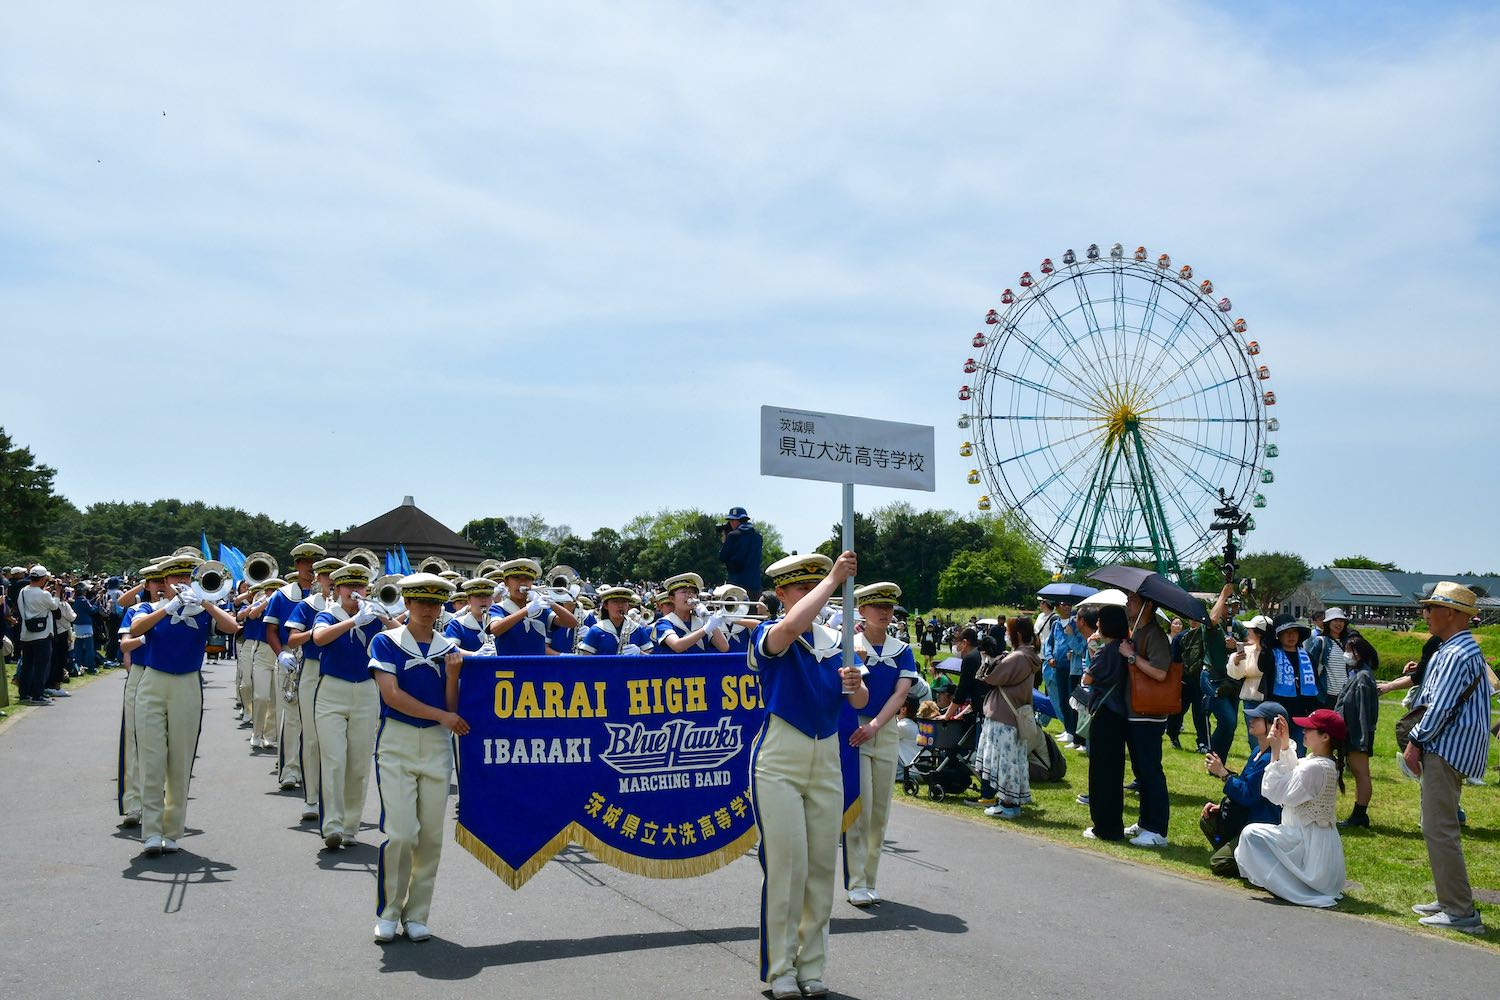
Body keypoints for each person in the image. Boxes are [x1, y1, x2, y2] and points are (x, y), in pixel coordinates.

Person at [749, 552, 867, 1000]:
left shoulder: (839, 640)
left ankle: (811, 965)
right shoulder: (769, 632)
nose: (812, 595)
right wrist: (834, 579)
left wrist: (857, 686)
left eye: (815, 586)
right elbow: (792, 628)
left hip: (827, 755)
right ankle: (780, 968)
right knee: (788, 865)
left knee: (821, 864)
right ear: (781, 594)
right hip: (780, 755)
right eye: (800, 588)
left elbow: (859, 704)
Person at [368, 573, 468, 943]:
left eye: (435, 603)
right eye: (421, 602)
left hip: (437, 746)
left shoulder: (449, 647)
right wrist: (442, 716)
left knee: (429, 836)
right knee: (400, 833)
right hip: (396, 743)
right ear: (407, 604)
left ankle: (417, 914)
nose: (428, 609)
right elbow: (391, 696)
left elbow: (453, 706)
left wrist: (454, 674)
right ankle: (390, 911)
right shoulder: (387, 641)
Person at [129, 553, 241, 854]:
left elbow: (232, 627)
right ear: (164, 582)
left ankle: (173, 831)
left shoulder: (202, 609)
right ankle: (151, 831)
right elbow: (136, 630)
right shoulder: (149, 607)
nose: (180, 583)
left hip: (188, 683)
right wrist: (169, 607)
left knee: (180, 761)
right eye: (174, 578)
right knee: (152, 759)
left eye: (185, 578)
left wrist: (203, 602)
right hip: (153, 683)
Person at [1402, 582, 1492, 934]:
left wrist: (1415, 742)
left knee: (1440, 829)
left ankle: (1460, 911)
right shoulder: (1458, 648)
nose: (1425, 614)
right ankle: (1449, 898)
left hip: (1445, 747)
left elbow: (1439, 707)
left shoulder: (1455, 653)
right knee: (1435, 826)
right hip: (1449, 747)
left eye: (1430, 608)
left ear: (1451, 613)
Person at [842, 582, 918, 906]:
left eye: (888, 607)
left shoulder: (902, 650)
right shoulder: (848, 646)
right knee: (860, 809)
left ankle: (870, 879)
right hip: (854, 730)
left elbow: (901, 694)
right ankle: (856, 882)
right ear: (862, 611)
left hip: (883, 730)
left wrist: (875, 726)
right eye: (877, 607)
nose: (885, 612)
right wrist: (867, 726)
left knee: (880, 811)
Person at [312, 563, 395, 851]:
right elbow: (319, 638)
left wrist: (383, 617)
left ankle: (351, 827)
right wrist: (353, 621)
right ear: (336, 590)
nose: (354, 591)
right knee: (334, 760)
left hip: (367, 691)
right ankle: (332, 826)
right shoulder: (327, 614)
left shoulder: (372, 615)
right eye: (348, 586)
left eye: (359, 587)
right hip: (332, 691)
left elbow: (403, 637)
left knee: (359, 763)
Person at [1234, 709, 1348, 908]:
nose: (1304, 730)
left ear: (1325, 736)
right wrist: (1285, 744)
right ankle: (1286, 881)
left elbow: (1275, 793)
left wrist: (1276, 752)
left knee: (1251, 834)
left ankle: (1288, 884)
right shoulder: (1324, 763)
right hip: (1319, 850)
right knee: (1253, 834)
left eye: (1310, 729)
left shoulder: (1315, 767)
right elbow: (1294, 770)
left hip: (1309, 850)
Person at [284, 557, 346, 822]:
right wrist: (318, 631)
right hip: (312, 668)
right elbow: (292, 639)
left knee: (341, 743)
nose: (331, 580)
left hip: (342, 673)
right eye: (326, 575)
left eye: (336, 575)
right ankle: (311, 799)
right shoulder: (307, 605)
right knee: (311, 738)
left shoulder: (351, 607)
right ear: (318, 579)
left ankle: (337, 802)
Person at [1200, 701, 1287, 877]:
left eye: (1257, 718)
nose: (1251, 720)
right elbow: (1245, 784)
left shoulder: (1270, 758)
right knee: (1208, 820)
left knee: (1219, 863)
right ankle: (1240, 852)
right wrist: (1222, 805)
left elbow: (1249, 796)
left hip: (1260, 823)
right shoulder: (1257, 751)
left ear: (1272, 725)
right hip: (1246, 817)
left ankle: (1258, 861)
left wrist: (1223, 774)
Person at [265, 542, 326, 791]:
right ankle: (290, 769)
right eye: (304, 563)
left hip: (317, 661)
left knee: (316, 718)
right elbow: (270, 630)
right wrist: (280, 654)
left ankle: (312, 766)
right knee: (290, 715)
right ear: (297, 565)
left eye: (314, 564)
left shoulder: (327, 597)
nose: (309, 568)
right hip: (290, 656)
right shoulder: (282, 595)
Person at [1116, 589, 1173, 848]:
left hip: (1148, 715)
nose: (1128, 603)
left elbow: (1160, 673)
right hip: (1135, 712)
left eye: (1133, 599)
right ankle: (1145, 822)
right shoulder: (1137, 631)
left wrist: (1131, 656)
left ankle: (1158, 829)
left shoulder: (1156, 635)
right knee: (1141, 771)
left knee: (1151, 771)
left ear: (1147, 605)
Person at [975, 619, 1041, 820]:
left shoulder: (1018, 657)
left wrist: (990, 661)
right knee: (1013, 761)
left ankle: (1008, 803)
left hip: (1004, 714)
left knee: (1005, 762)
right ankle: (1010, 801)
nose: (1006, 635)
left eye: (1008, 632)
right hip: (1014, 713)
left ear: (1018, 635)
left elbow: (990, 677)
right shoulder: (1028, 656)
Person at [1082, 604, 1132, 841]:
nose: (1097, 624)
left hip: (1105, 713)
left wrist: (1093, 648)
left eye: (1100, 620)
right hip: (1119, 714)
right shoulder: (1123, 647)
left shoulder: (1108, 649)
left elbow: (1088, 677)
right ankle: (1113, 824)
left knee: (1101, 773)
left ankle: (1103, 826)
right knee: (1114, 772)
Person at [1256, 615, 1322, 750]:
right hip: (1278, 709)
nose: (1291, 636)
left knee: (1299, 749)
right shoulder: (1272, 654)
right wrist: (1266, 643)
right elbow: (1262, 666)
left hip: (1302, 711)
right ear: (1278, 636)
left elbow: (1314, 681)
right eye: (1286, 633)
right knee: (1277, 748)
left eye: (1294, 632)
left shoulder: (1307, 656)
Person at [486, 558, 577, 656]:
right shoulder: (499, 608)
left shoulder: (539, 609)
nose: (522, 583)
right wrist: (526, 610)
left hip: (537, 668)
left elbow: (572, 623)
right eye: (516, 578)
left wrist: (552, 604)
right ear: (506, 582)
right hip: (509, 668)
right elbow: (495, 629)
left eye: (528, 579)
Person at [1334, 635, 1380, 828]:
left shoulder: (1362, 677)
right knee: (1358, 772)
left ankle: (1360, 815)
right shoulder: (1357, 674)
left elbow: (1362, 712)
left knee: (1361, 774)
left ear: (1358, 654)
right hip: (1352, 733)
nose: (1346, 654)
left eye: (1349, 650)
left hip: (1357, 734)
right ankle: (1358, 814)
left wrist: (1361, 739)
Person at [14, 566, 62, 705]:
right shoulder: (44, 594)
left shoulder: (23, 591)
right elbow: (54, 606)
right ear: (42, 579)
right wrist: (57, 593)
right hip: (42, 634)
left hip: (26, 633)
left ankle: (24, 694)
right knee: (41, 666)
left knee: (27, 665)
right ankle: (37, 695)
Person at [652, 572, 730, 654]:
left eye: (693, 592)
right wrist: (706, 629)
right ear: (671, 598)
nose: (689, 595)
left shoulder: (701, 622)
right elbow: (677, 646)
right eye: (684, 592)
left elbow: (724, 647)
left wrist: (708, 617)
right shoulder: (664, 622)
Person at [1229, 615, 1270, 754]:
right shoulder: (1247, 650)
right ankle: (1257, 759)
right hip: (1250, 696)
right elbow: (1237, 674)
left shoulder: (1273, 652)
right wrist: (1236, 661)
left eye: (1251, 630)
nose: (1248, 632)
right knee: (1254, 735)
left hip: (1270, 696)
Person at [577, 587, 652, 655]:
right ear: (606, 606)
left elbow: (650, 658)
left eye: (624, 602)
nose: (620, 605)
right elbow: (586, 658)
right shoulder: (596, 630)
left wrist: (640, 653)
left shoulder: (637, 629)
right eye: (615, 601)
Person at [1306, 608, 1358, 702]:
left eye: (1341, 621)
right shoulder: (1321, 642)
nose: (1339, 624)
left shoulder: (1349, 642)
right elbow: (1311, 666)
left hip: (1346, 695)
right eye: (1335, 620)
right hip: (1326, 696)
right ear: (1328, 623)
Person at [716, 506, 764, 600]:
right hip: (754, 584)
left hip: (736, 584)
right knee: (753, 613)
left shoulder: (733, 536)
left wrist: (725, 541)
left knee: (736, 613)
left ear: (735, 521)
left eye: (730, 521)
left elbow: (722, 557)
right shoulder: (758, 536)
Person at [443, 578, 497, 654]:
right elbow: (451, 650)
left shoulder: (498, 621)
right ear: (468, 599)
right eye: (478, 596)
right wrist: (474, 655)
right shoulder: (457, 624)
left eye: (487, 595)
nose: (483, 600)